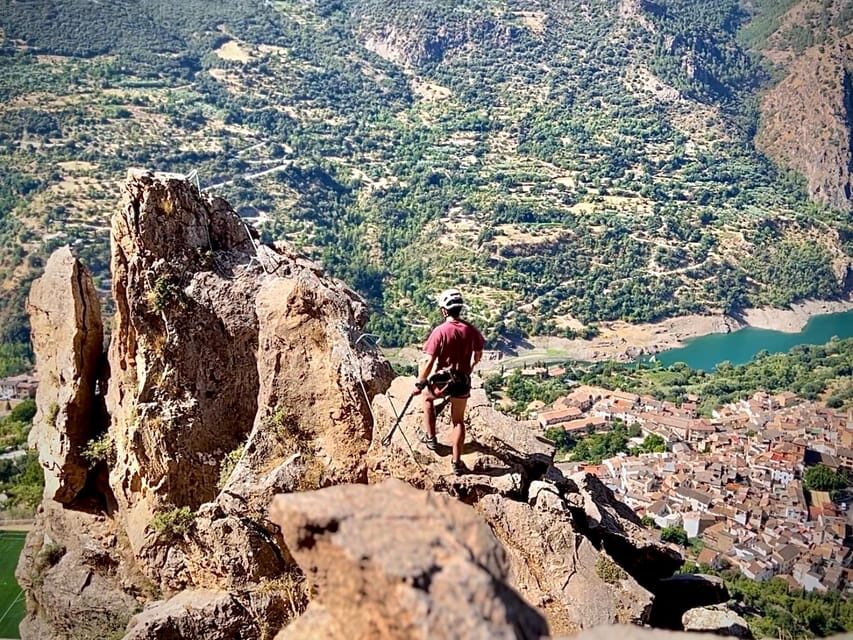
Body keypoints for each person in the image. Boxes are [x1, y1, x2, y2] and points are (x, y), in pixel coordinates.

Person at [412, 288, 485, 475]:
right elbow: (477, 356)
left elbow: (428, 361)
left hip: (443, 379)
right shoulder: (471, 330)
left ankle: (431, 439)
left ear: (444, 310)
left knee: (427, 399)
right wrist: (469, 368)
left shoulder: (440, 331)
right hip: (461, 379)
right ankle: (457, 462)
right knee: (458, 421)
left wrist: (420, 383)